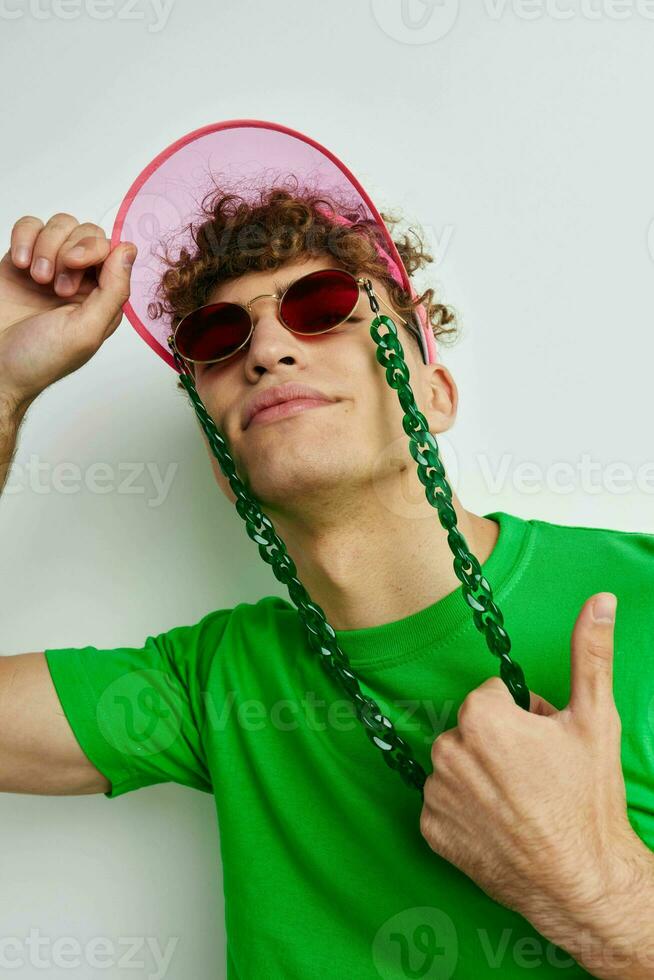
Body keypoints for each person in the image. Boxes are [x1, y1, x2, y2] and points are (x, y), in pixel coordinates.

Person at [1, 193, 653, 980]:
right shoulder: (217, 681)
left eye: (325, 307)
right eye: (218, 339)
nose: (268, 348)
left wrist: (590, 883)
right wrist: (2, 386)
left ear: (437, 394)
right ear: (220, 460)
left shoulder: (637, 599)